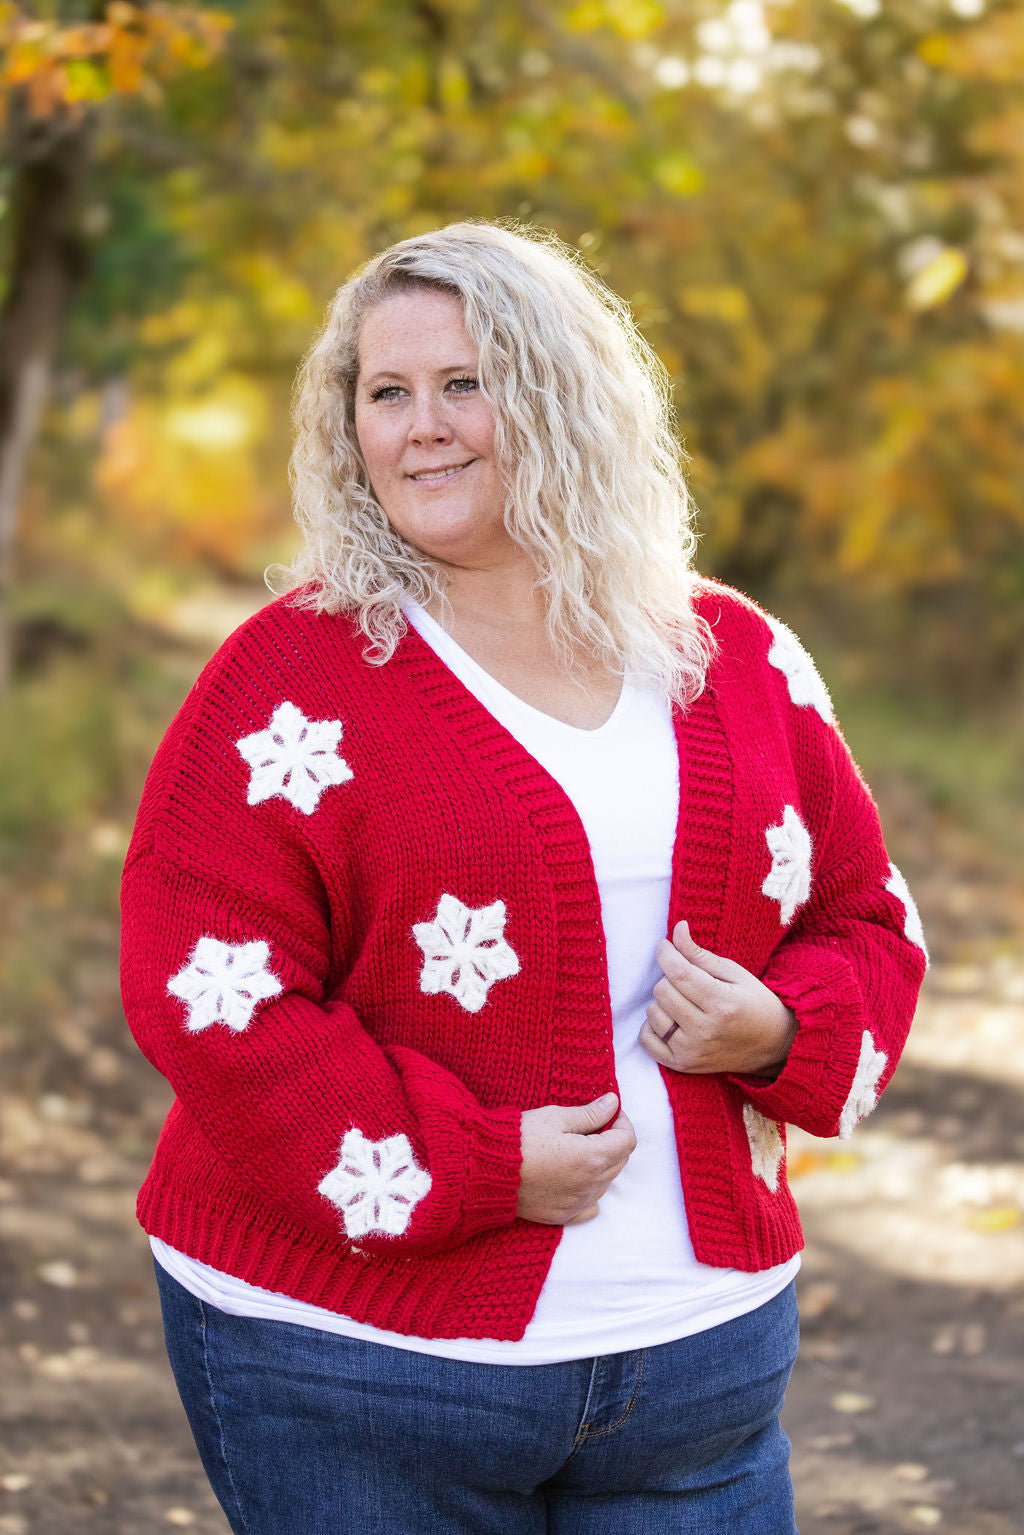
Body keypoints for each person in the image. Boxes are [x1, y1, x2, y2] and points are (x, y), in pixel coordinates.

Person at [120, 220, 928, 1534]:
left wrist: (781, 1029)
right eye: (386, 392)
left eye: (465, 382)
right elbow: (212, 997)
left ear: (563, 396)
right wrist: (473, 1167)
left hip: (698, 1363)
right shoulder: (292, 684)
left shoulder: (730, 653)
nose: (420, 426)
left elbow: (866, 921)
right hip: (358, 1365)